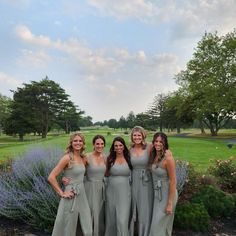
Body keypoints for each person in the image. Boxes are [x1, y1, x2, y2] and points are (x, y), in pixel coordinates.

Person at [48, 133, 92, 236]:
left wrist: (66, 178)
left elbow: (81, 174)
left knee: (87, 225)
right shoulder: (67, 158)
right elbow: (51, 177)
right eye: (75, 141)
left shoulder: (83, 158)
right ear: (71, 143)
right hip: (71, 195)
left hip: (82, 194)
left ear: (83, 143)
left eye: (80, 141)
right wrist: (62, 193)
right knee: (68, 226)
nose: (78, 143)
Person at [148, 132, 178, 236]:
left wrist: (170, 203)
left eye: (161, 142)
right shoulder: (154, 155)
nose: (158, 144)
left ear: (165, 143)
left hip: (167, 194)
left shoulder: (168, 159)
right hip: (158, 195)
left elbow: (173, 181)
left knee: (158, 225)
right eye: (156, 141)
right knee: (158, 225)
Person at [105, 136, 133, 236]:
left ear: (124, 146)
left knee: (122, 219)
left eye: (120, 145)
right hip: (111, 192)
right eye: (116, 146)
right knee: (111, 217)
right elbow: (101, 172)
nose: (118, 147)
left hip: (125, 193)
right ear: (113, 147)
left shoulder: (129, 158)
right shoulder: (109, 159)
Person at [129, 126, 153, 236]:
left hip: (147, 180)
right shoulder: (130, 150)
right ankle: (133, 231)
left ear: (143, 135)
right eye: (135, 135)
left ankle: (145, 232)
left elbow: (160, 157)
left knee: (146, 207)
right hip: (134, 180)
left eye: (139, 135)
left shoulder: (149, 147)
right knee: (134, 206)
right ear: (132, 137)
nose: (137, 137)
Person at [84, 135, 106, 236]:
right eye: (97, 143)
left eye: (102, 144)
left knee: (100, 213)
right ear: (93, 144)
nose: (100, 146)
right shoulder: (86, 157)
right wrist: (66, 177)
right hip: (90, 188)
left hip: (102, 188)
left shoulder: (105, 157)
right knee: (90, 212)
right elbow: (77, 169)